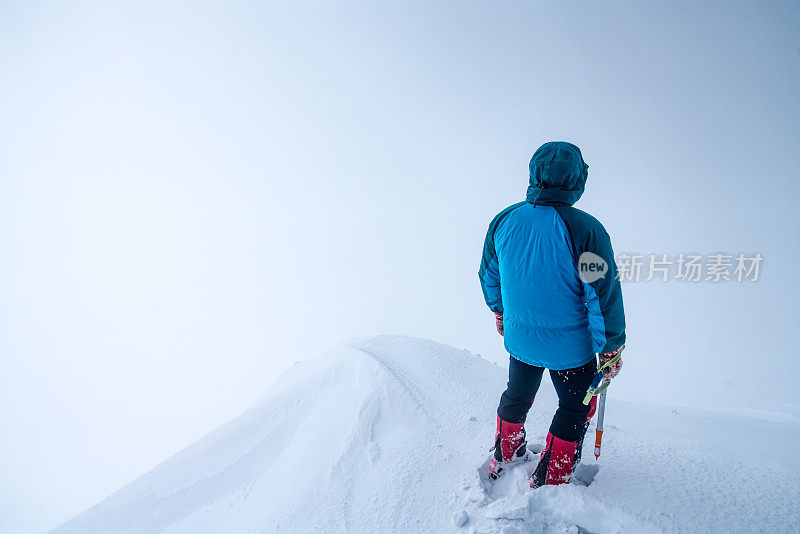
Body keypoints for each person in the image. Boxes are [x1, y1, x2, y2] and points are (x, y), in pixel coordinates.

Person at [478, 141, 626, 487]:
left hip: (521, 338)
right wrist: (611, 346)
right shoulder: (585, 229)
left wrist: (499, 312)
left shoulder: (505, 219)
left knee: (517, 395)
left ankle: (507, 451)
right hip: (570, 349)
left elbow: (489, 274)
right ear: (577, 179)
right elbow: (601, 293)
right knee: (575, 408)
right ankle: (553, 475)